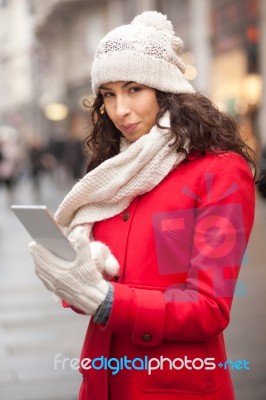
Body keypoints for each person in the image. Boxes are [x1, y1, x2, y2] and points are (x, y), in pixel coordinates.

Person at [29, 11, 257, 400]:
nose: (120, 110)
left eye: (134, 89)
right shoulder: (113, 171)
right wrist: (76, 274)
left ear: (164, 88)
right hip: (102, 380)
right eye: (109, 94)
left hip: (173, 385)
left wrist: (107, 301)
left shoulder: (219, 172)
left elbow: (209, 307)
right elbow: (99, 287)